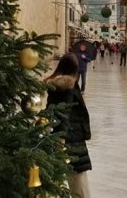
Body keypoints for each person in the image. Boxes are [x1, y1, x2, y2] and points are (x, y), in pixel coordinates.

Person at [44, 54, 92, 198]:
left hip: (59, 134)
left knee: (61, 179)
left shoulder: (54, 85)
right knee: (79, 184)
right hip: (72, 137)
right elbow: (64, 113)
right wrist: (62, 139)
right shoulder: (68, 86)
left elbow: (50, 110)